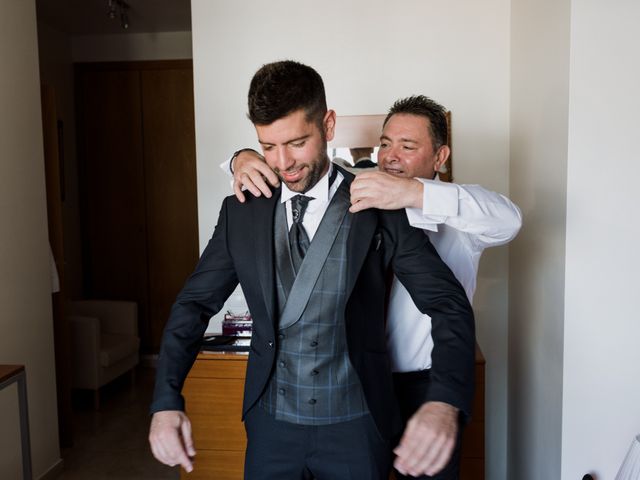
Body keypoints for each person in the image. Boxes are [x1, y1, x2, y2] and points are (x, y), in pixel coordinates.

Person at [149, 61, 475, 480]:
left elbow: (448, 303)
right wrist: (165, 400)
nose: (283, 163)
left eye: (297, 142)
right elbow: (194, 305)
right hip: (271, 427)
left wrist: (445, 400)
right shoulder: (241, 212)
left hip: (356, 427)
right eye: (267, 147)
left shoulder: (377, 204)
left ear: (329, 124)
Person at [227, 95, 522, 479]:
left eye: (408, 146)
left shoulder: (461, 219)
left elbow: (509, 220)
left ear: (440, 155)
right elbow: (304, 170)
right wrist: (240, 157)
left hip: (423, 389)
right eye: (385, 143)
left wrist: (413, 194)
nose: (390, 157)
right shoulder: (361, 191)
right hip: (358, 388)